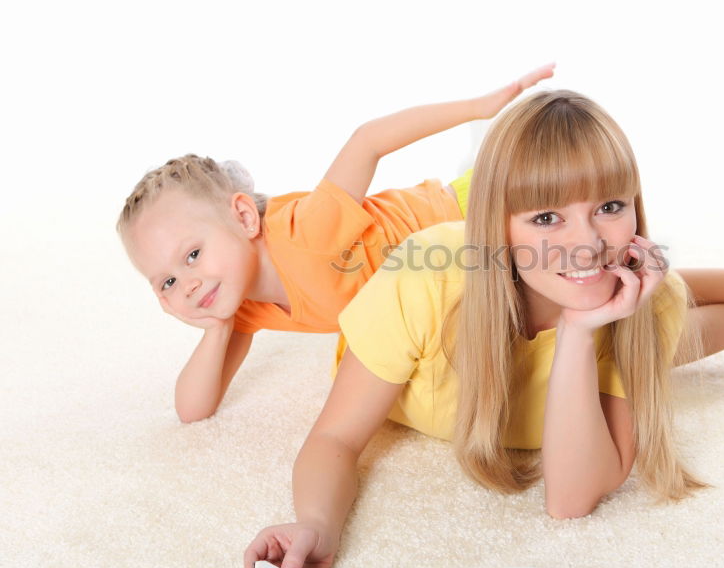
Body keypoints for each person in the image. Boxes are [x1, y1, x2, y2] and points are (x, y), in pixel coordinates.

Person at [243, 89, 724, 568]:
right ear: (496, 222)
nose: (587, 237)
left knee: (660, 316)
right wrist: (315, 525)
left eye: (611, 206)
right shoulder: (426, 276)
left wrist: (584, 332)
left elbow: (570, 500)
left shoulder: (629, 302)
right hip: (494, 284)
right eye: (546, 216)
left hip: (611, 308)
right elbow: (336, 435)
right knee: (654, 312)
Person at [117, 64, 555, 422]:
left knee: (577, 234)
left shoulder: (306, 232)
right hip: (456, 275)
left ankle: (498, 147)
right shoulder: (241, 307)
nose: (188, 284)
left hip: (475, 211)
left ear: (245, 217)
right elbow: (193, 410)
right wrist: (215, 326)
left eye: (193, 255)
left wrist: (481, 107)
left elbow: (367, 141)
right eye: (167, 282)